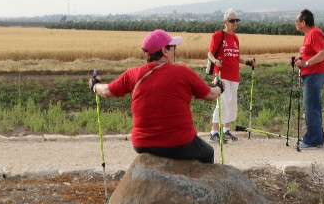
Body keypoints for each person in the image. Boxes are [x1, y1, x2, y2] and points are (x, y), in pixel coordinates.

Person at [90, 29, 222, 164]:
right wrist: (219, 87)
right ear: (165, 51)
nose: (174, 51)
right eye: (173, 48)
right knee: (208, 153)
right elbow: (211, 94)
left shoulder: (133, 74)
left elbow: (106, 91)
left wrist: (94, 86)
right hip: (180, 142)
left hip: (142, 143)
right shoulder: (182, 72)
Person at [206, 9, 256, 143]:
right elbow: (210, 54)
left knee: (231, 103)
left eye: (236, 20)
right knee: (222, 102)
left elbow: (236, 56)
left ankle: (226, 131)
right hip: (221, 74)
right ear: (225, 22)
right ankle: (214, 132)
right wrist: (215, 61)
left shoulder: (235, 38)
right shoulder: (218, 35)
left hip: (234, 75)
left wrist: (247, 62)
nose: (235, 23)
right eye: (232, 21)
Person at [292, 9, 324, 149]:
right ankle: (317, 138)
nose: (295, 23)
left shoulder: (314, 33)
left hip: (315, 73)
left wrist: (306, 63)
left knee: (310, 108)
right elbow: (311, 53)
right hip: (312, 73)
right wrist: (301, 61)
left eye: (296, 20)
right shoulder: (309, 34)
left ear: (303, 22)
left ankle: (312, 140)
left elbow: (323, 53)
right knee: (314, 107)